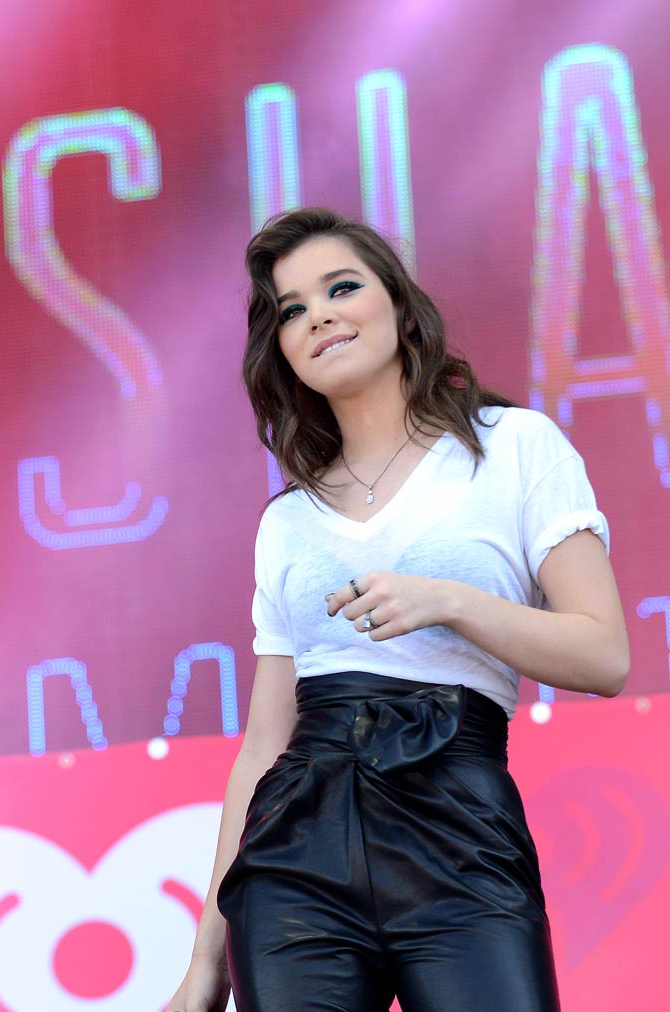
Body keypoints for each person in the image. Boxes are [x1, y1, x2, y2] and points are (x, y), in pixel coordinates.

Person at [166, 208, 629, 1012]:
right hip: (296, 855)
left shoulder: (514, 447)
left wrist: (447, 601)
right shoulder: (288, 521)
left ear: (399, 305)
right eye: (292, 310)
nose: (320, 316)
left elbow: (604, 656)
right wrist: (204, 963)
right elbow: (263, 746)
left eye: (341, 287)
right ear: (281, 352)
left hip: (460, 832)